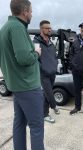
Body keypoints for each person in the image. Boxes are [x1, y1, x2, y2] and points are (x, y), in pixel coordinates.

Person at [0, 0, 45, 150]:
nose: (32, 14)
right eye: (31, 11)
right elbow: (24, 58)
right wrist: (36, 53)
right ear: (25, 11)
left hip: (17, 86)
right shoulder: (18, 28)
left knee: (19, 124)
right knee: (37, 127)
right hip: (28, 86)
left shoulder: (5, 28)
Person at [33, 20, 59, 123]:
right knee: (48, 92)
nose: (49, 29)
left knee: (45, 95)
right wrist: (42, 68)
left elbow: (54, 56)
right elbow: (35, 58)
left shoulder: (51, 43)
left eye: (50, 28)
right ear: (41, 29)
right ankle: (54, 106)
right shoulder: (36, 43)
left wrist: (55, 64)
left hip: (52, 73)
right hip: (43, 74)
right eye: (47, 28)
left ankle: (45, 114)